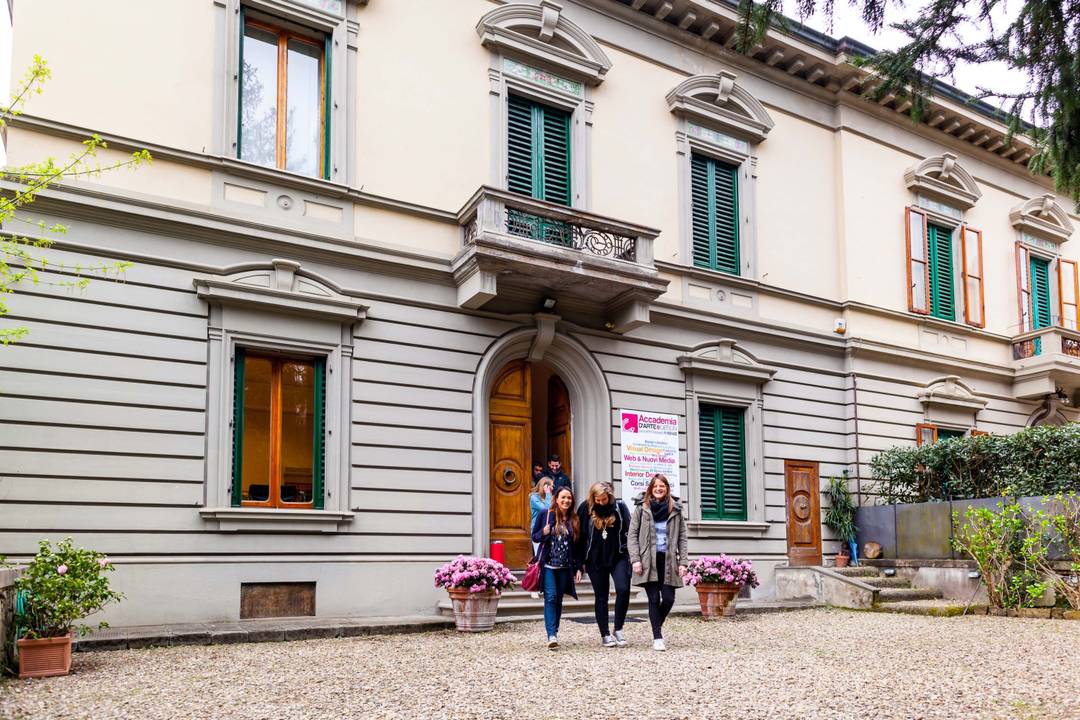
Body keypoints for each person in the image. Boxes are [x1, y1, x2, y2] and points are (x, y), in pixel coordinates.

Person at [628, 473, 687, 652]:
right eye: (655, 487)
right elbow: (632, 535)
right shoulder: (641, 508)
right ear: (651, 489)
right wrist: (635, 560)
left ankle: (656, 627)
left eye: (662, 486)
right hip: (648, 560)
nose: (659, 489)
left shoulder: (676, 509)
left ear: (667, 488)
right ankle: (657, 637)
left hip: (668, 560)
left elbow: (682, 537)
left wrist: (683, 561)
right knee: (654, 598)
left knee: (668, 599)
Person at [576, 482, 632, 648]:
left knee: (623, 589)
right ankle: (605, 633)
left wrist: (632, 556)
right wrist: (579, 564)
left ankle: (618, 628)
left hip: (618, 556)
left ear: (610, 496)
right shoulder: (585, 508)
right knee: (601, 596)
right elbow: (579, 538)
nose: (601, 502)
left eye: (604, 499)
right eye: (597, 499)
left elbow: (630, 532)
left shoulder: (620, 508)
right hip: (595, 559)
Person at [531, 486, 581, 650]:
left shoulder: (574, 519)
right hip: (548, 566)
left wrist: (578, 568)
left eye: (569, 498)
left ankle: (555, 631)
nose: (566, 500)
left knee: (558, 600)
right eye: (563, 497)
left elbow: (577, 546)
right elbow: (535, 537)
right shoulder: (545, 515)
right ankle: (551, 634)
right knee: (550, 597)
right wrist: (544, 532)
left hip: (565, 567)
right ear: (556, 499)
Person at [529, 476, 554, 556]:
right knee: (539, 554)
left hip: (548, 528)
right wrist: (548, 494)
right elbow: (547, 509)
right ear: (544, 487)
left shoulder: (550, 497)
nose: (552, 489)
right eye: (551, 486)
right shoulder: (534, 497)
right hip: (538, 528)